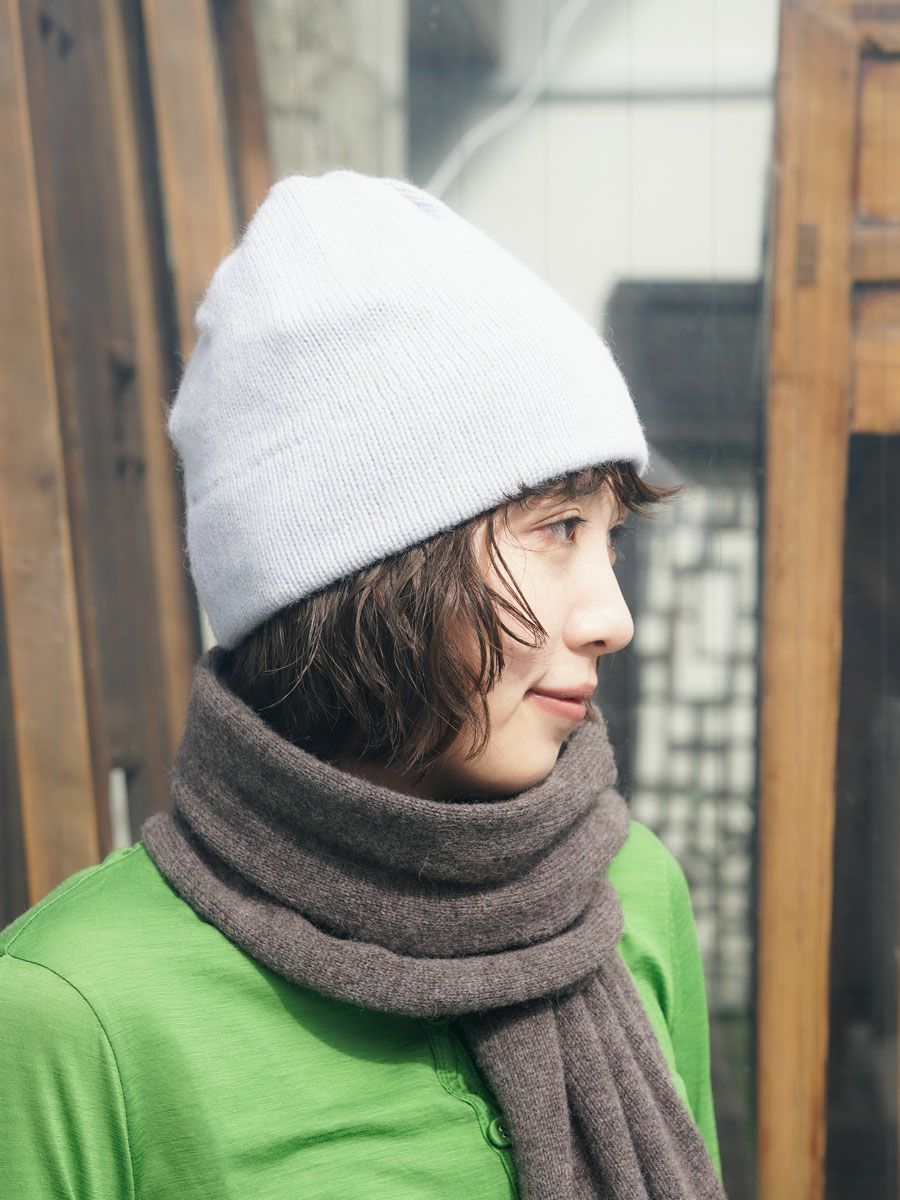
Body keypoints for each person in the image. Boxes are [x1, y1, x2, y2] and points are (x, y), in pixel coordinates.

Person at [0, 169, 726, 1199]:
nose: (614, 617)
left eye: (611, 538)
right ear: (370, 570)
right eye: (559, 528)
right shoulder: (72, 1014)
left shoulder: (626, 896)